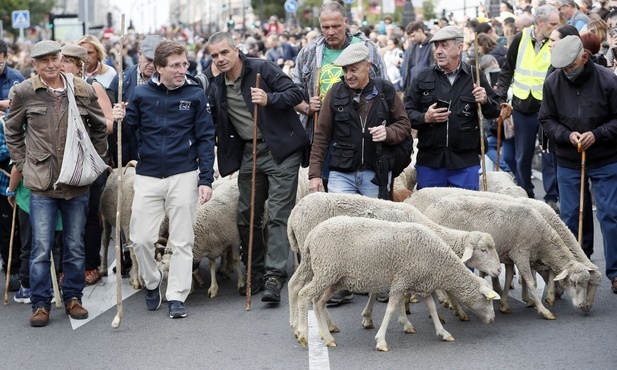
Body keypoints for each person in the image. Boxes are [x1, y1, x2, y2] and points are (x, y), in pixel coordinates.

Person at [5, 40, 108, 327]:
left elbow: (99, 126)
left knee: (75, 246)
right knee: (41, 248)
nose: (50, 64)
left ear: (61, 59)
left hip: (76, 183)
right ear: (34, 65)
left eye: (54, 58)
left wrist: (95, 158)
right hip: (41, 183)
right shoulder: (25, 92)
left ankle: (74, 298)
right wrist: (23, 165)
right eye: (43, 60)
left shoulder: (81, 88)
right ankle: (40, 304)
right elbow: (12, 130)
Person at [207, 32, 308, 304]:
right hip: (249, 152)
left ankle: (275, 276)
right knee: (247, 214)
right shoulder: (215, 84)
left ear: (236, 50)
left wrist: (268, 98)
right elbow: (213, 119)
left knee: (277, 213)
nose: (220, 59)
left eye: (224, 53)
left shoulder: (262, 68)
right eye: (214, 55)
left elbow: (296, 92)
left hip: (281, 150)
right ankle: (255, 271)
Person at [126, 40, 215, 319]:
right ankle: (153, 282)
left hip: (183, 173)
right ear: (159, 67)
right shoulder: (140, 94)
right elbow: (130, 129)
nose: (182, 69)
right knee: (140, 239)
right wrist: (119, 118)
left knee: (182, 240)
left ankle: (177, 295)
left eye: (184, 64)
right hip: (148, 174)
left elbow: (205, 137)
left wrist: (206, 179)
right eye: (175, 65)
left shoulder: (195, 94)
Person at [538, 35, 617, 294]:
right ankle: (576, 268)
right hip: (569, 159)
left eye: (570, 68)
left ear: (584, 58)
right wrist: (566, 135)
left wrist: (598, 133)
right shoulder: (553, 82)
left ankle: (615, 272)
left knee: (609, 214)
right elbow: (546, 120)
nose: (566, 73)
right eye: (562, 69)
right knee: (570, 215)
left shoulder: (607, 80)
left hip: (605, 157)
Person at [308, 42, 411, 198]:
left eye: (353, 69)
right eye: (345, 70)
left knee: (374, 221)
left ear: (368, 66)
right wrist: (315, 174)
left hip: (376, 174)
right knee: (341, 220)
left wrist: (388, 132)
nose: (348, 75)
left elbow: (404, 125)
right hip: (341, 174)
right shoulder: (335, 93)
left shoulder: (385, 90)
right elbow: (322, 135)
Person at [405, 26, 500, 190]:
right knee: (429, 212)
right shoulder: (423, 76)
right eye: (436, 46)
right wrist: (425, 118)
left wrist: (485, 101)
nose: (439, 51)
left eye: (444, 45)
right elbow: (405, 113)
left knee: (466, 213)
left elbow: (496, 110)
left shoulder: (475, 75)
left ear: (459, 48)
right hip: (430, 162)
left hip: (465, 163)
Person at [291, 1, 387, 135]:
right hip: (321, 132)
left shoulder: (367, 49)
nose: (330, 32)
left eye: (336, 26)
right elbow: (293, 94)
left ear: (346, 22)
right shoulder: (308, 53)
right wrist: (308, 108)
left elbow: (385, 91)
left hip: (361, 131)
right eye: (325, 27)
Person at [496, 4, 561, 199]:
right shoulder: (520, 38)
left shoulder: (556, 41)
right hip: (523, 107)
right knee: (522, 156)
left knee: (549, 156)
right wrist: (500, 97)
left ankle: (551, 198)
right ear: (540, 23)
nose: (556, 27)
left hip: (547, 108)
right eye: (552, 23)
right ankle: (526, 195)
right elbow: (507, 69)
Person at [0, 39, 24, 292]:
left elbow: (16, 108)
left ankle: (13, 267)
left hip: (6, 164)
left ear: (6, 57)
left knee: (9, 224)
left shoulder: (16, 78)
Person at [401, 21, 434, 93]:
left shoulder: (433, 45)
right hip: (412, 87)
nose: (412, 39)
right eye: (410, 36)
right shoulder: (411, 47)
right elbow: (406, 68)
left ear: (420, 31)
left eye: (413, 35)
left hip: (428, 87)